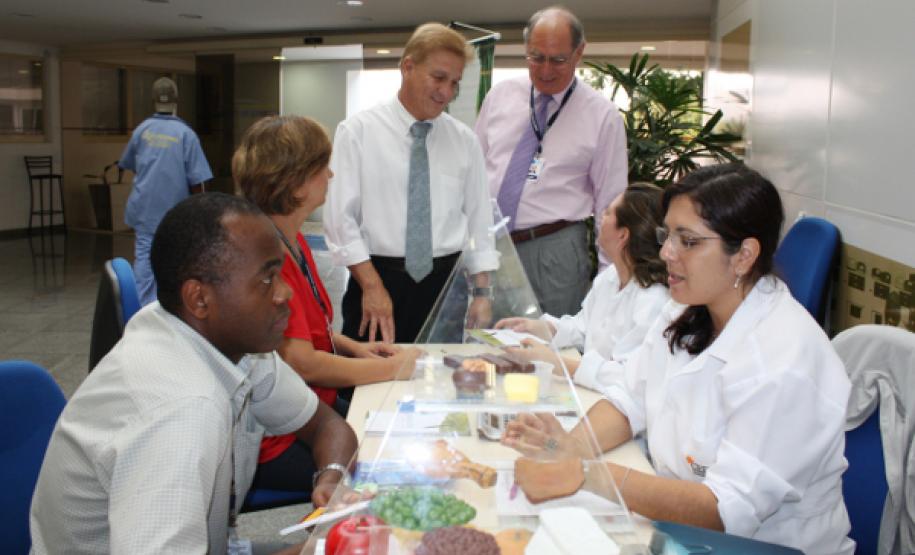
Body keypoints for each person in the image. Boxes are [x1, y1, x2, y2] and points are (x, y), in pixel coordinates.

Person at [502, 164, 855, 554]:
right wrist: (570, 447)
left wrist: (589, 474)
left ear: (743, 256)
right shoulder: (685, 309)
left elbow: (725, 510)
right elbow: (629, 398)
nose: (666, 253)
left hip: (759, 546)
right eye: (666, 235)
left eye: (687, 241)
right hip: (682, 528)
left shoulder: (784, 358)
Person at [29, 193, 357, 555]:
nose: (286, 292)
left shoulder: (227, 342)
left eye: (279, 272)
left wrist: (330, 476)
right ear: (199, 299)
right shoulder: (180, 410)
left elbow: (328, 425)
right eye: (266, 279)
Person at [234, 114, 423, 481]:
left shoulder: (291, 237)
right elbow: (302, 362)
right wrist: (392, 368)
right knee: (393, 467)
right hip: (280, 432)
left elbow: (305, 330)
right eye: (323, 167)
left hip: (311, 405)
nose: (331, 176)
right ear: (297, 182)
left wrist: (353, 347)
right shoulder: (265, 254)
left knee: (399, 427)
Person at [324, 22, 498, 345]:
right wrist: (373, 287)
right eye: (438, 77)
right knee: (369, 388)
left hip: (446, 289)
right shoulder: (358, 132)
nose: (446, 92)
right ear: (408, 67)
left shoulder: (464, 141)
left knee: (439, 386)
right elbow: (339, 220)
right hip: (377, 279)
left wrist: (482, 292)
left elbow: (479, 222)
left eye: (455, 83)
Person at [474, 7, 628, 318]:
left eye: (558, 59)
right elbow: (474, 172)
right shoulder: (501, 95)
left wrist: (610, 280)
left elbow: (609, 203)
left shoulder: (602, 116)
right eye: (536, 57)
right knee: (489, 342)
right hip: (492, 246)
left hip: (554, 249)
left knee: (553, 348)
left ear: (579, 52)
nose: (545, 70)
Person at [494, 183, 670, 393]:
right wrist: (542, 328)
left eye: (607, 213)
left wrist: (555, 362)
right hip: (590, 391)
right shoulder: (610, 277)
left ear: (623, 235)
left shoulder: (654, 299)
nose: (600, 219)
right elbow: (584, 327)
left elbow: (629, 377)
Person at [119, 76, 213, 306]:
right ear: (176, 101)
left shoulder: (141, 131)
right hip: (175, 214)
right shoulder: (185, 135)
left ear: (152, 100)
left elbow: (129, 164)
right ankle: (170, 309)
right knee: (176, 261)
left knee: (144, 265)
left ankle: (141, 311)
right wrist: (200, 212)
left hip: (144, 212)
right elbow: (198, 180)